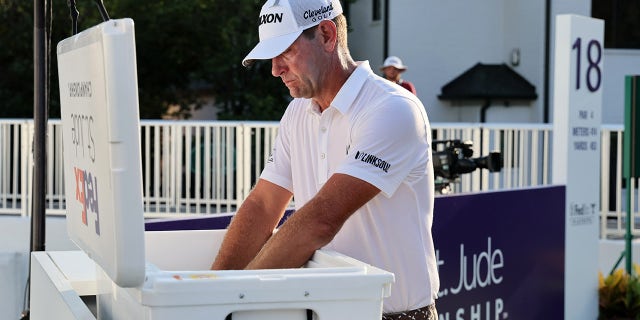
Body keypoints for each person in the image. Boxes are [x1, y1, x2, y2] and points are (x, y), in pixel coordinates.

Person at [211, 0, 439, 319]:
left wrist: (235, 303)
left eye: (285, 52)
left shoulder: (392, 108)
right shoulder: (297, 112)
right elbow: (263, 204)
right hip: (323, 311)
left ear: (327, 35)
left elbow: (321, 220)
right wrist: (212, 294)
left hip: (394, 314)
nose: (275, 69)